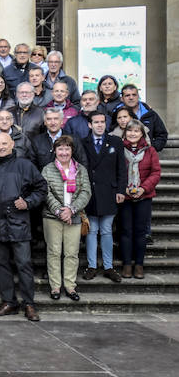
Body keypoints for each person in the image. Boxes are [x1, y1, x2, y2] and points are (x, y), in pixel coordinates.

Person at [0, 133, 48, 322]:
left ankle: (29, 304)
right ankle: (9, 302)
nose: (1, 147)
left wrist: (29, 202)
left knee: (24, 265)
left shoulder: (25, 166)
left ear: (12, 144)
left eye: (4, 143)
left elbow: (41, 188)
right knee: (1, 265)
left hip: (19, 223)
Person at [41, 135, 91, 301]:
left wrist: (71, 210)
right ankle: (55, 286)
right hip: (52, 217)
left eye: (67, 149)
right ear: (55, 151)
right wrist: (59, 211)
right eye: (60, 149)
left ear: (72, 150)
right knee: (54, 252)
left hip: (74, 216)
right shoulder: (47, 169)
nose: (63, 152)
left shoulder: (80, 169)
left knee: (71, 253)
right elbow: (45, 193)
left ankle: (70, 286)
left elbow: (86, 192)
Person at [80, 110, 127, 283]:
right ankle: (92, 266)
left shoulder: (115, 141)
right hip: (91, 193)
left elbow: (121, 168)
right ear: (90, 125)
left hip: (110, 191)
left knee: (107, 230)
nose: (100, 125)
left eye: (102, 122)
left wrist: (121, 190)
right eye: (96, 122)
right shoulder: (83, 142)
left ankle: (108, 266)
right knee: (92, 230)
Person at [119, 119, 162, 279]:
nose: (132, 134)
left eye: (136, 131)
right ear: (125, 133)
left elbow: (155, 172)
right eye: (130, 131)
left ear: (142, 134)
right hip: (124, 197)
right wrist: (123, 188)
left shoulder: (150, 151)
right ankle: (127, 265)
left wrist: (143, 188)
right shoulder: (119, 148)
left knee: (140, 232)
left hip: (144, 197)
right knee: (125, 231)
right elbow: (115, 171)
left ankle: (139, 264)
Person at [117, 83, 168, 152]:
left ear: (138, 96)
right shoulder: (116, 114)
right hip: (123, 157)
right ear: (122, 98)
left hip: (147, 157)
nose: (131, 98)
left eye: (134, 95)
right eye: (127, 95)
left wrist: (152, 149)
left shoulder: (150, 114)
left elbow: (162, 134)